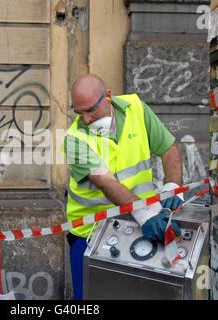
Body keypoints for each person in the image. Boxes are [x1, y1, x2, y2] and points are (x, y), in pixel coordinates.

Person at [62, 74, 184, 300]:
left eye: (91, 110)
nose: (86, 119)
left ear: (108, 96)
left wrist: (172, 186)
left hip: (142, 225)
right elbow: (106, 182)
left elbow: (169, 149)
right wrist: (145, 214)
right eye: (79, 112)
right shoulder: (74, 139)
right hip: (90, 234)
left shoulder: (136, 109)